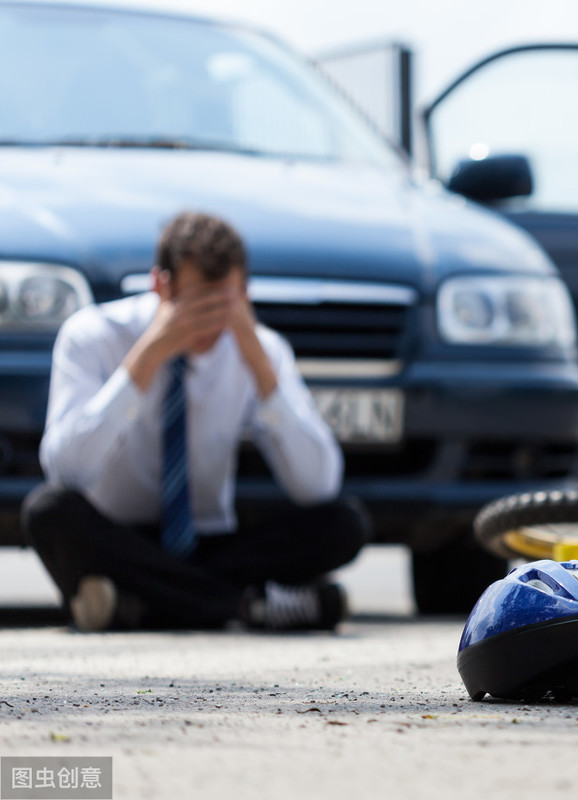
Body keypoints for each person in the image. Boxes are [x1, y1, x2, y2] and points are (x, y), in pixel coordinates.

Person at [21, 211, 369, 632]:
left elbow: (318, 485)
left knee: (343, 524)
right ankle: (248, 606)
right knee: (48, 512)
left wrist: (259, 366)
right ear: (160, 286)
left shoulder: (264, 350)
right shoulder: (92, 335)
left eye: (223, 303)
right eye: (197, 304)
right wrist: (146, 358)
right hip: (121, 539)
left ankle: (139, 605)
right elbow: (66, 470)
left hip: (211, 543)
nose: (210, 323)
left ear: (244, 293)